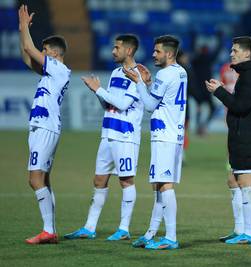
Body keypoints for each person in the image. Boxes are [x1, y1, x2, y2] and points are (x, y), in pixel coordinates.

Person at [64, 35, 143, 241]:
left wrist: (99, 89)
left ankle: (124, 229)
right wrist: (99, 93)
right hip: (107, 133)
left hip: (125, 136)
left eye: (117, 47)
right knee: (99, 180)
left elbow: (124, 104)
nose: (113, 51)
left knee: (126, 181)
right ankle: (89, 228)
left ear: (129, 51)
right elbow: (109, 104)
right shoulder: (116, 72)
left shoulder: (139, 75)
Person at [205, 36, 251, 244]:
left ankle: (249, 233)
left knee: (245, 182)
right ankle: (239, 229)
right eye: (231, 50)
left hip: (248, 136)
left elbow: (241, 106)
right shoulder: (248, 74)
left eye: (235, 50)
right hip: (240, 135)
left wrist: (219, 92)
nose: (231, 53)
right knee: (233, 180)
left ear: (246, 53)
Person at [124, 35, 187, 250]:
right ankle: (151, 233)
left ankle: (170, 237)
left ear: (169, 53)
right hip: (172, 134)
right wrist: (149, 83)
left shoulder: (166, 73)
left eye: (157, 51)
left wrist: (139, 82)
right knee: (159, 184)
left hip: (165, 136)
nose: (153, 54)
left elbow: (150, 105)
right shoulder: (181, 72)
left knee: (165, 185)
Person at [18, 5, 71, 244]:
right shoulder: (52, 73)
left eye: (45, 50)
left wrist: (22, 27)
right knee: (44, 179)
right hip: (42, 126)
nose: (42, 52)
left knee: (34, 178)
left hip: (46, 127)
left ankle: (48, 231)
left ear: (55, 54)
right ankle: (50, 229)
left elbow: (30, 49)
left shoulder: (59, 69)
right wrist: (24, 32)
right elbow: (27, 57)